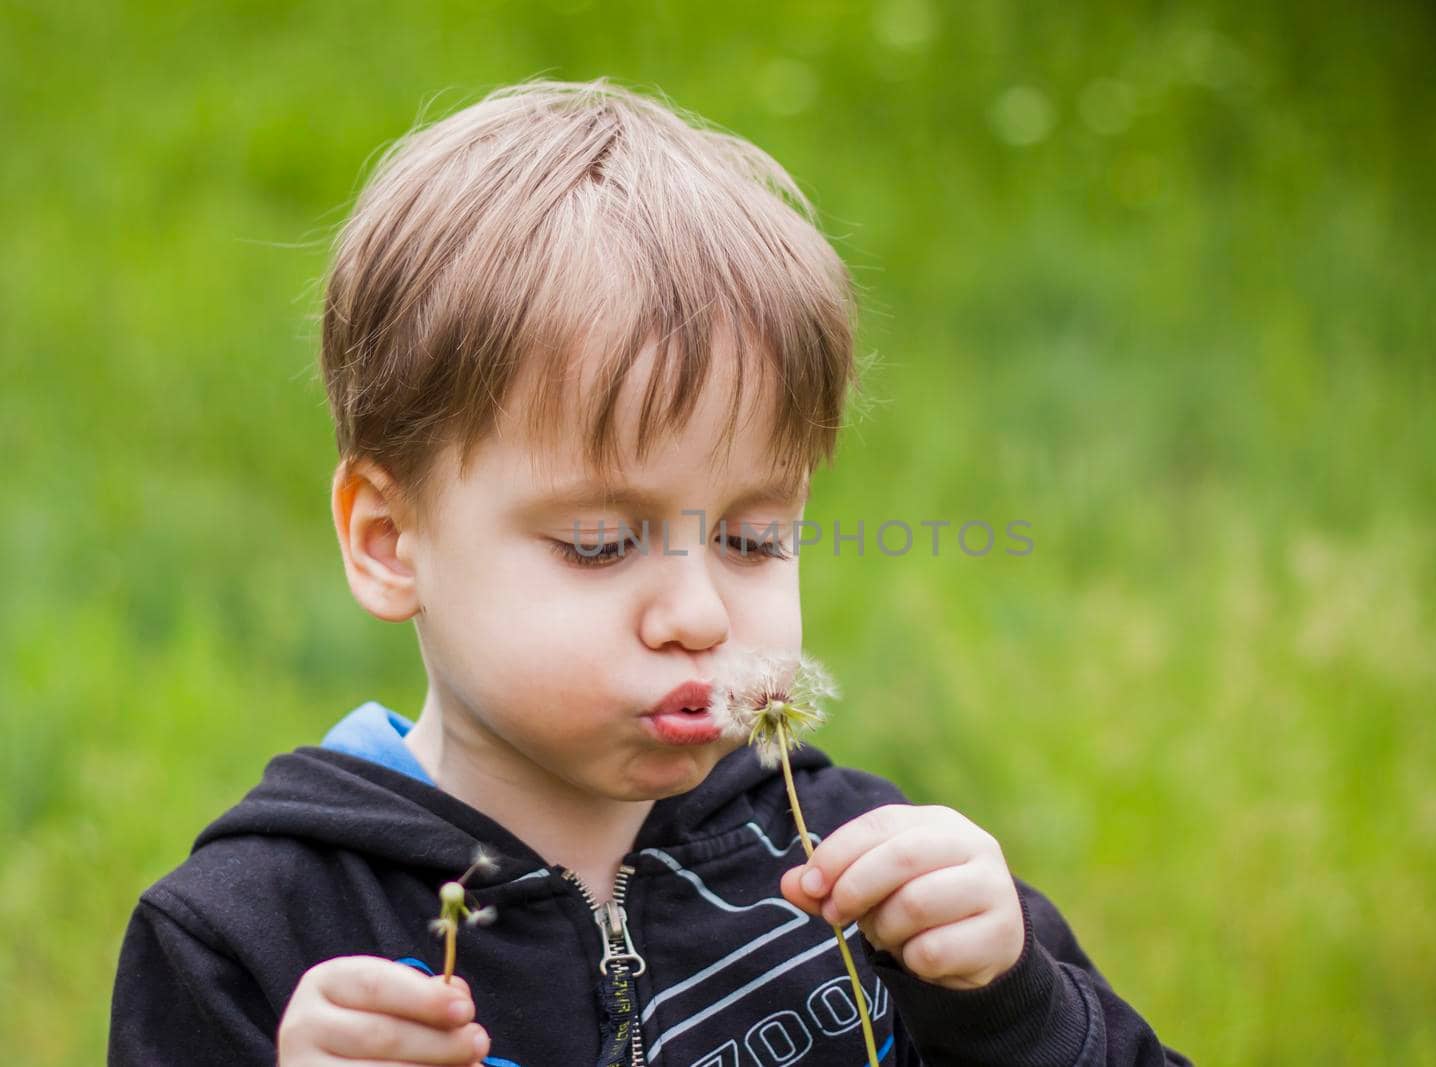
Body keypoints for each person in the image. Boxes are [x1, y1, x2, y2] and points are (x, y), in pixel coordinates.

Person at [110, 77, 1191, 1066]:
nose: (697, 612)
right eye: (599, 542)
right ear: (390, 541)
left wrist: (1012, 1007)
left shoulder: (867, 870)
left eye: (754, 538)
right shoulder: (250, 939)